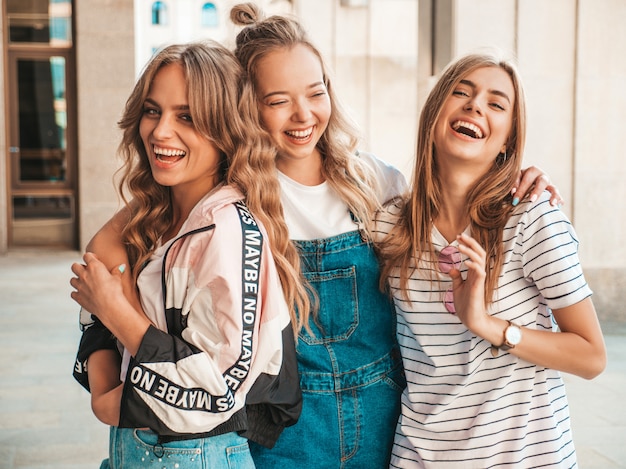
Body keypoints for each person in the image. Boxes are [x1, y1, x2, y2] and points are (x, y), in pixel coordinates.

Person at [229, 4, 564, 468]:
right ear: (249, 106)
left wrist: (520, 176)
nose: (303, 114)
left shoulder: (376, 183)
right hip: (287, 432)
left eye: (315, 92)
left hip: (384, 422)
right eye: (277, 100)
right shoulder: (234, 198)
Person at [69, 40, 310, 468]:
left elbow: (218, 388)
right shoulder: (161, 215)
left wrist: (112, 309)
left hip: (196, 456)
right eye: (152, 110)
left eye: (187, 117)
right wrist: (108, 394)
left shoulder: (228, 232)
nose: (160, 131)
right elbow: (98, 259)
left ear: (226, 129)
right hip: (135, 449)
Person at [374, 51, 606, 468]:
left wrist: (486, 324)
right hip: (419, 458)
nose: (475, 105)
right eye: (461, 92)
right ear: (434, 114)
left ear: (508, 140)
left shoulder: (532, 220)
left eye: (496, 103)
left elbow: (591, 356)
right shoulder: (389, 224)